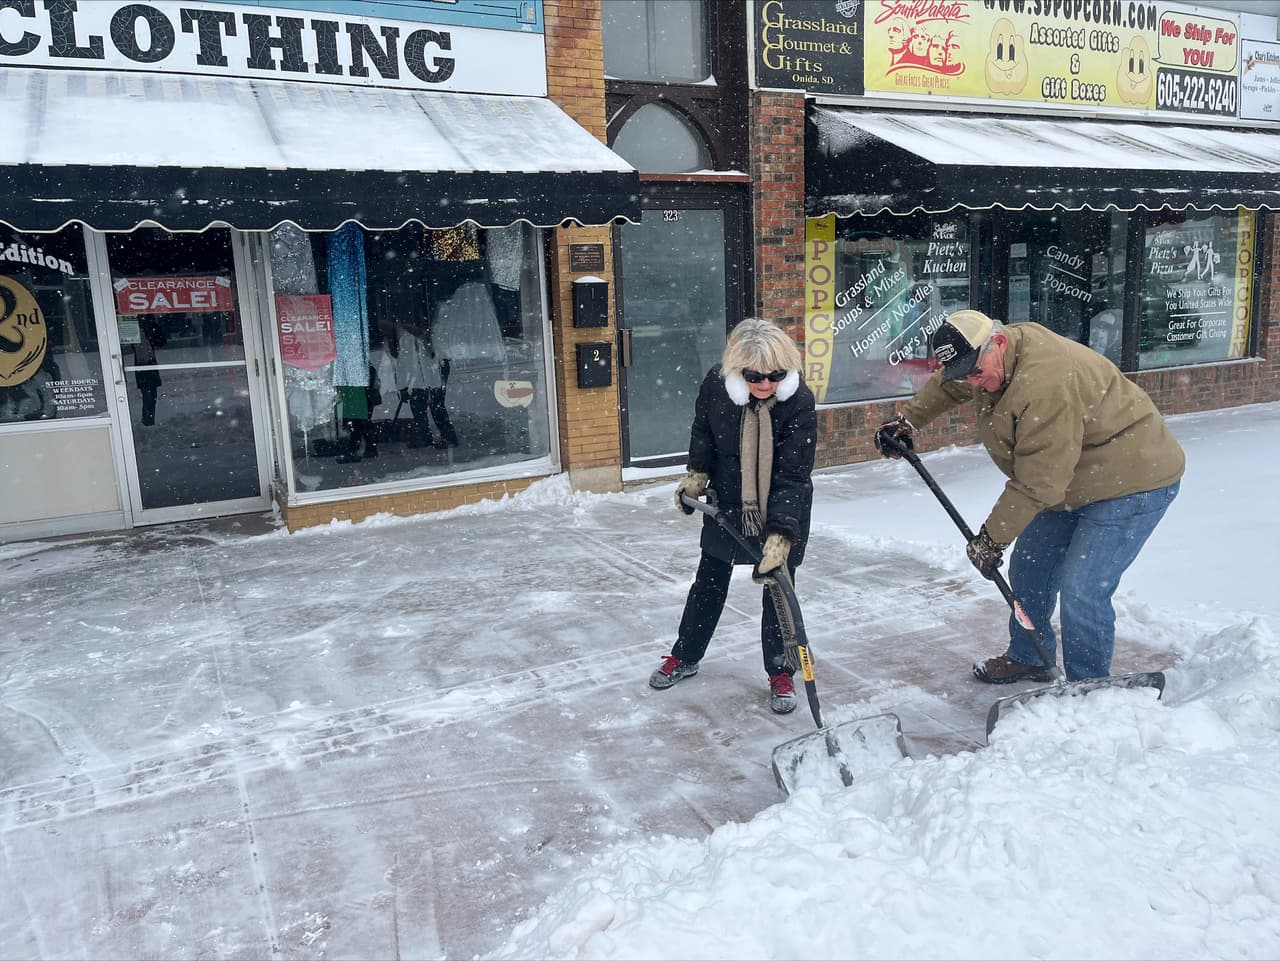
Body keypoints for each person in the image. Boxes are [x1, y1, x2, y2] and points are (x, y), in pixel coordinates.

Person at [874, 309, 1185, 684]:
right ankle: (1030, 657)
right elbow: (950, 383)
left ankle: (1090, 686)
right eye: (965, 373)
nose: (973, 382)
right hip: (1073, 478)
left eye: (976, 371)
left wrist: (991, 538)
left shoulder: (1045, 384)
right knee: (1030, 569)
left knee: (1083, 588)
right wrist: (908, 420)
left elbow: (1040, 481)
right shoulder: (991, 359)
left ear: (998, 342)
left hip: (1131, 479)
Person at [649, 318, 817, 714]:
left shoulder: (798, 401)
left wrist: (780, 534)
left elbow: (793, 474)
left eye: (775, 375)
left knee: (778, 592)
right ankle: (685, 654)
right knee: (708, 583)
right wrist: (697, 475)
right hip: (727, 504)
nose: (765, 384)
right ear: (737, 370)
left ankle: (780, 672)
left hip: (782, 508)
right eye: (755, 376)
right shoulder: (716, 386)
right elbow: (703, 433)